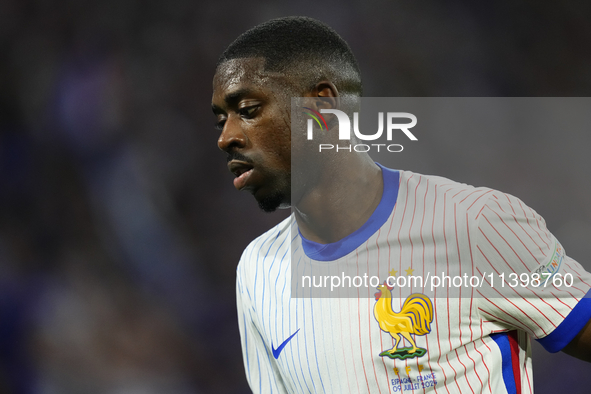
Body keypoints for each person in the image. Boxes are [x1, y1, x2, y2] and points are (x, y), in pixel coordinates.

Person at [211, 16, 591, 393]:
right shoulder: (257, 271)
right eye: (220, 121)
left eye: (246, 110)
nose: (226, 137)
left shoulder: (473, 223)